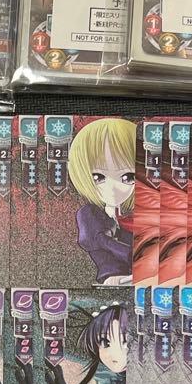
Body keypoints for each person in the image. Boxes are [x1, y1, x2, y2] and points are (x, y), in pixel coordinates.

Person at [67, 117, 137, 285]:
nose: (113, 187)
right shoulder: (89, 213)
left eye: (128, 177)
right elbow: (99, 241)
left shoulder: (131, 215)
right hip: (113, 275)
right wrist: (135, 256)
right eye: (99, 177)